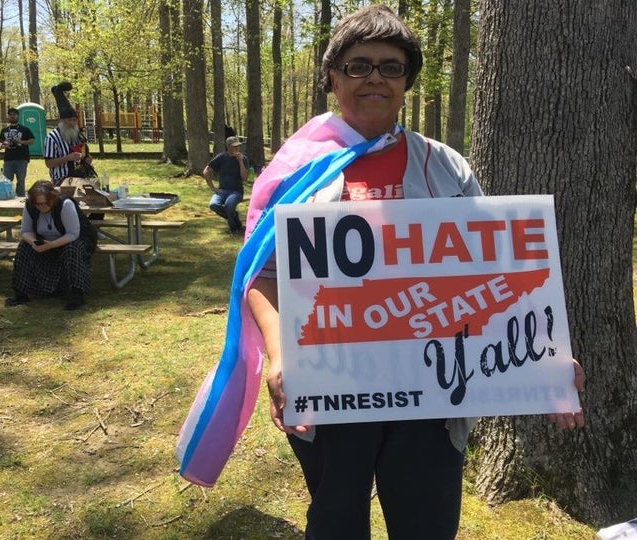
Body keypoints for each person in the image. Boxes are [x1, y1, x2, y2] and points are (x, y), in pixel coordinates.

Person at [242, 5, 586, 539]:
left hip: (432, 388)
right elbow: (260, 276)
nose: (374, 77)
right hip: (333, 385)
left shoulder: (446, 166)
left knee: (426, 524)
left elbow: (497, 268)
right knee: (335, 523)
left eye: (390, 66)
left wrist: (545, 357)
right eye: (358, 65)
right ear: (333, 79)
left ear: (406, 82)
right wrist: (281, 356)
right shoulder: (292, 170)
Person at [5, 181, 92, 310]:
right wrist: (34, 242)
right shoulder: (30, 207)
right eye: (38, 204)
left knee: (72, 249)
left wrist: (51, 245)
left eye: (45, 203)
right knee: (24, 247)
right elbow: (26, 231)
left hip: (71, 240)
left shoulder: (65, 205)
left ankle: (76, 294)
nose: (42, 207)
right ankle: (21, 292)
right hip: (44, 242)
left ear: (52, 198)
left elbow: (73, 234)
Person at [44, 81, 95, 186]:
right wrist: (67, 158)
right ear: (62, 121)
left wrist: (87, 159)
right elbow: (48, 163)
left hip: (80, 178)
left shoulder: (78, 135)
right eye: (69, 120)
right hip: (61, 181)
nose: (72, 123)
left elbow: (85, 155)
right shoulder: (52, 138)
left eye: (74, 120)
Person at [203, 136, 249, 233]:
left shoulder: (243, 159)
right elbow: (206, 171)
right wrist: (213, 188)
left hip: (236, 191)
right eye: (234, 146)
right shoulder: (222, 157)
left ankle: (234, 228)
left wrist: (240, 161)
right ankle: (234, 216)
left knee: (229, 205)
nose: (236, 149)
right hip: (222, 190)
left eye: (238, 146)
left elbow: (245, 178)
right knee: (213, 205)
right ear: (228, 147)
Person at [0, 107, 35, 197]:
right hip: (8, 159)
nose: (12, 117)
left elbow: (32, 140)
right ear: (8, 117)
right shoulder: (4, 130)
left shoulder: (24, 129)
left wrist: (21, 141)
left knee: (21, 180)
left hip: (22, 158)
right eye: (10, 115)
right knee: (7, 179)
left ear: (17, 116)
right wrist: (4, 142)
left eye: (14, 115)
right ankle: (7, 195)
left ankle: (20, 197)